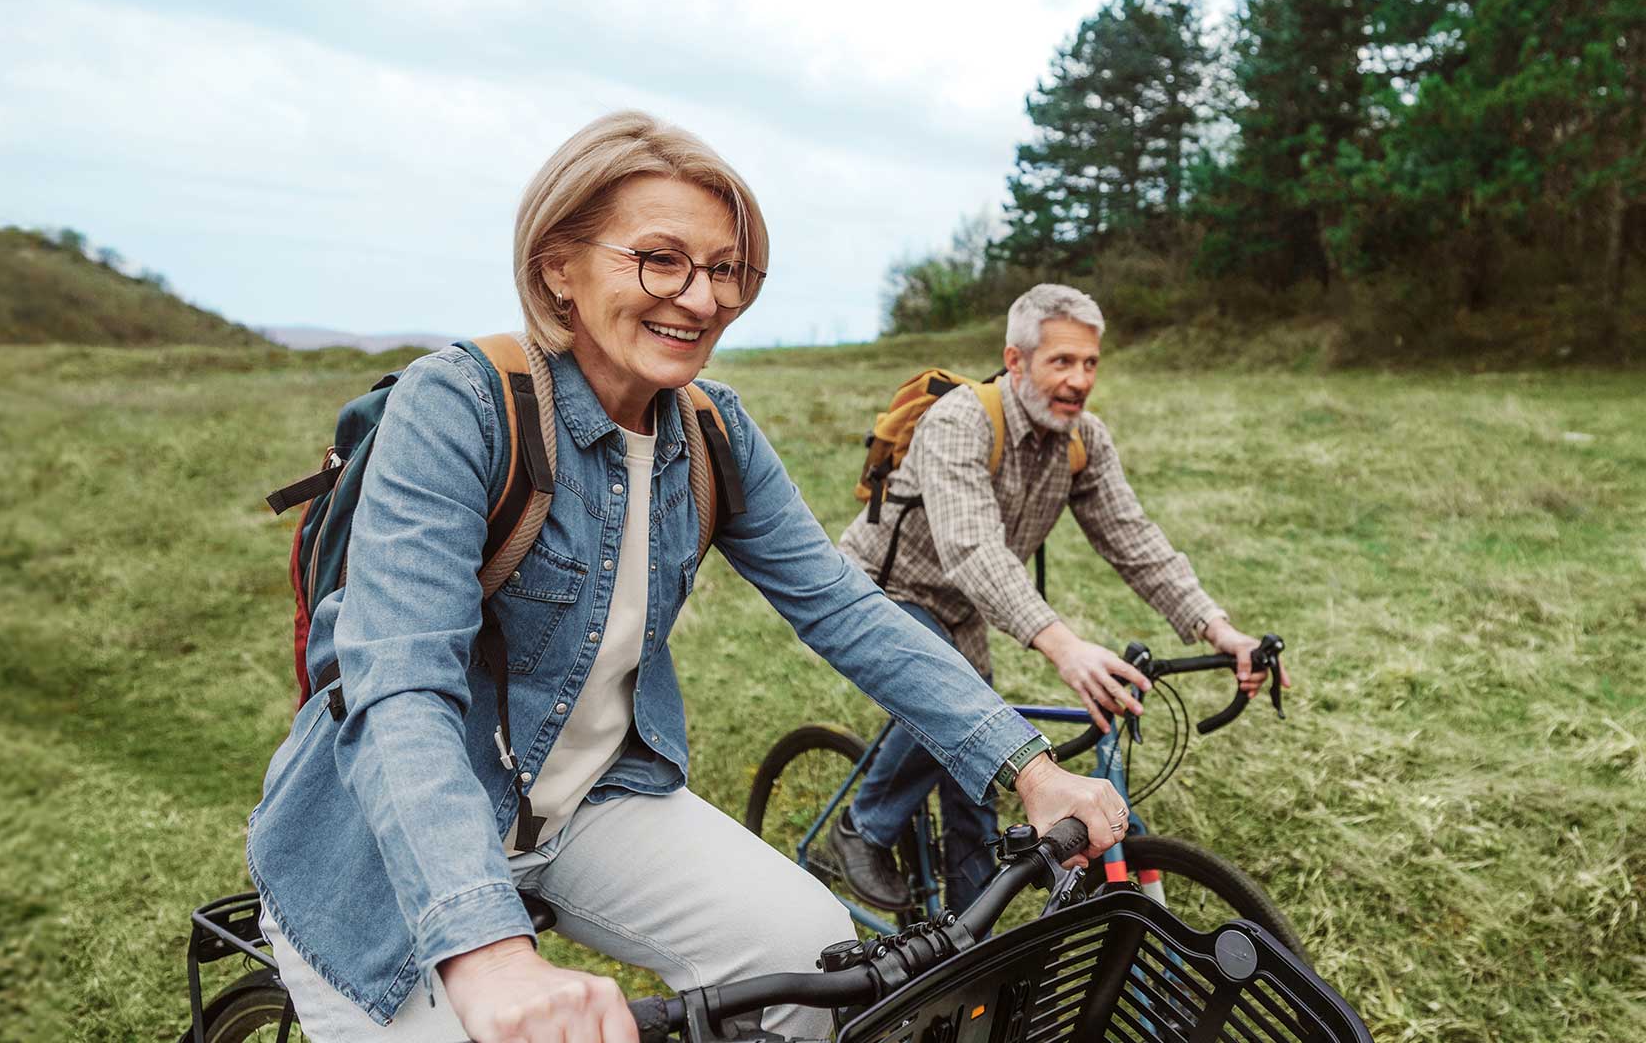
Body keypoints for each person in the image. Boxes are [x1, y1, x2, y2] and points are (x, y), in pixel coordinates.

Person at [245, 114, 1129, 1043]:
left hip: (583, 805)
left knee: (811, 949)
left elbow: (842, 606)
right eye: (660, 260)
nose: (700, 297)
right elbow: (401, 689)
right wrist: (491, 954)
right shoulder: (459, 406)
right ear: (559, 267)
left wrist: (1025, 763)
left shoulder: (710, 430)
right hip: (384, 852)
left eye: (725, 270)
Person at [827, 284, 1294, 916]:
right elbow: (973, 551)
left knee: (980, 781)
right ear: (1016, 361)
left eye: (1090, 363)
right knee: (955, 695)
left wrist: (1219, 630)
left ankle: (967, 943)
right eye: (1061, 362)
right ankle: (863, 827)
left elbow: (1134, 540)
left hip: (959, 609)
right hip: (883, 591)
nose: (1079, 380)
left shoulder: (1083, 440)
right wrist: (1064, 646)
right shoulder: (959, 421)